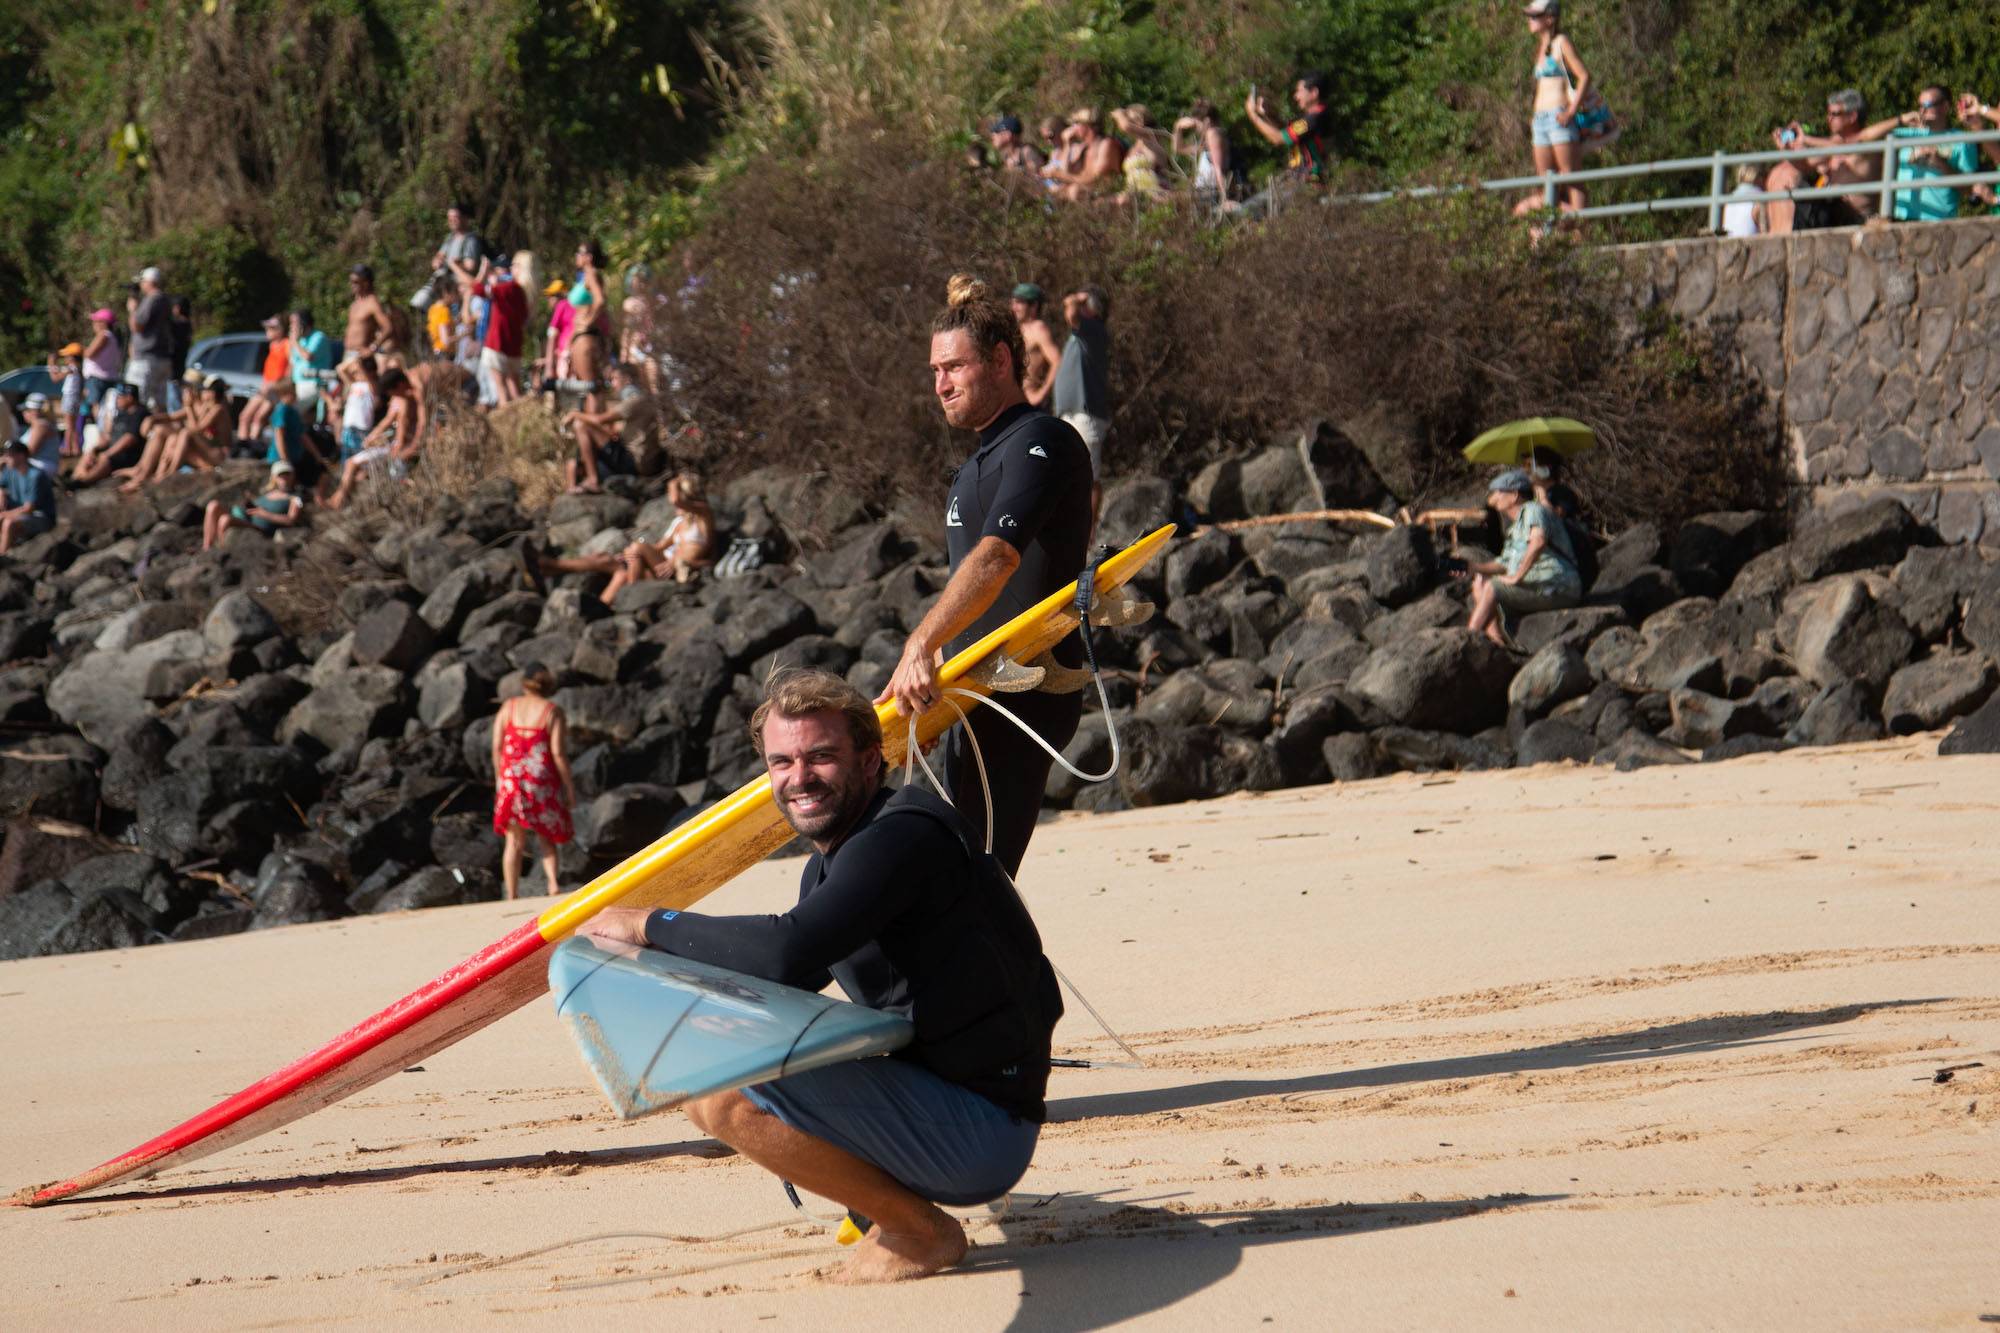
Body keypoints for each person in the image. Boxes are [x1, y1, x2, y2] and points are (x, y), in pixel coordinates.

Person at [579, 669, 1062, 1283]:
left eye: (820, 756)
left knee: (726, 1100)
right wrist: (664, 989)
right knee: (705, 1080)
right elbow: (793, 977)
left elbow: (787, 949)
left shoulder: (901, 837)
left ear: (868, 762)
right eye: (781, 761)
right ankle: (882, 1203)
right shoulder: (839, 860)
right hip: (949, 1103)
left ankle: (919, 1231)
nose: (798, 778)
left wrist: (651, 923)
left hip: (983, 1129)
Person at [879, 276, 1093, 877]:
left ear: (1000, 360)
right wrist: (927, 693)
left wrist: (919, 644)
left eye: (954, 367)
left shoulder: (1043, 441)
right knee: (965, 880)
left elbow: (999, 559)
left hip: (1030, 688)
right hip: (976, 695)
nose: (940, 384)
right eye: (934, 371)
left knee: (975, 881)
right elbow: (966, 590)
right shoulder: (970, 469)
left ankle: (1011, 970)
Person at [1453, 469, 1581, 646]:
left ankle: (1466, 642)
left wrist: (1517, 577)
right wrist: (1470, 567)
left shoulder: (1533, 509)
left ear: (1514, 495)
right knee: (1480, 581)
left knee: (1492, 587)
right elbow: (1503, 564)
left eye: (1498, 492)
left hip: (1558, 585)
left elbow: (1538, 541)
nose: (1494, 496)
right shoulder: (1514, 529)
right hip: (1538, 586)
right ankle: (1496, 642)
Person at [490, 664, 573, 900]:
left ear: (524, 683)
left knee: (514, 840)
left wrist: (500, 776)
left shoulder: (509, 706)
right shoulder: (552, 711)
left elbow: (497, 745)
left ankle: (512, 894)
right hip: (541, 779)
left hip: (512, 778)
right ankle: (553, 884)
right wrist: (568, 785)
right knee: (546, 837)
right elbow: (557, 752)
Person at [1858, 87, 1984, 223]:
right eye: (1920, 105)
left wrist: (1942, 165)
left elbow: (1971, 189)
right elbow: (1863, 138)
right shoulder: (1907, 135)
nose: (1922, 110)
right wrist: (1901, 119)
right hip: (1901, 219)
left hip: (1939, 222)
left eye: (1928, 105)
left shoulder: (1962, 140)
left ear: (1945, 107)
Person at [1764, 90, 1880, 233]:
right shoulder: (1831, 145)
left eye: (1834, 114)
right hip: (1836, 221)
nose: (1829, 118)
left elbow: (1846, 148)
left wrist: (1806, 139)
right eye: (1828, 113)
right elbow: (1804, 164)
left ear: (1852, 116)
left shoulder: (1868, 142)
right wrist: (1786, 151)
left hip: (1861, 221)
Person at [595, 471, 715, 603]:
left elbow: (675, 500)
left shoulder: (705, 516)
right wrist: (628, 555)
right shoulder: (680, 522)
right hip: (666, 568)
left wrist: (673, 482)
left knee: (636, 549)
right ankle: (601, 609)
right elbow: (659, 547)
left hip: (683, 570)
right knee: (622, 573)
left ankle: (630, 600)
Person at [1050, 284, 1111, 517]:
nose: (1077, 305)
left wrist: (1075, 297)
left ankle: (1089, 534)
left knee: (1089, 476)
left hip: (1087, 414)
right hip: (1071, 412)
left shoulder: (1094, 330)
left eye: (1085, 303)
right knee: (1071, 474)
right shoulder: (1081, 335)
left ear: (1095, 310)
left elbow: (1071, 313)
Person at [326, 368, 423, 509]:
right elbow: (390, 421)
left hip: (397, 448)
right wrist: (373, 436)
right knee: (355, 470)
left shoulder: (405, 401)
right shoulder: (402, 398)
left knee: (351, 464)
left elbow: (403, 426)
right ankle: (338, 500)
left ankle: (339, 501)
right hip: (394, 445)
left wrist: (398, 446)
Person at [1242, 69, 1335, 217]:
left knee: (1249, 210)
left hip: (1308, 184)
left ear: (1314, 93)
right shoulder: (1310, 117)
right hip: (1297, 183)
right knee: (1253, 209)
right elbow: (1286, 131)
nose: (1295, 96)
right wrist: (1269, 114)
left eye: (1299, 91)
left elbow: (1278, 138)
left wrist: (1253, 116)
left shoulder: (1315, 119)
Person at [563, 361, 652, 494]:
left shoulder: (636, 400)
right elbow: (612, 431)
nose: (612, 384)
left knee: (582, 426)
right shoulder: (636, 400)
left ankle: (593, 481)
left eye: (615, 379)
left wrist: (575, 414)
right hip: (628, 456)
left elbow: (600, 420)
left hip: (633, 461)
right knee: (573, 465)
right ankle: (576, 490)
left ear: (627, 380)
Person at [203, 460, 305, 551]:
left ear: (292, 475)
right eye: (281, 474)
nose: (284, 477)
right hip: (246, 519)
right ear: (274, 477)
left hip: (260, 529)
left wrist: (264, 514)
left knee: (225, 519)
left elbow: (291, 520)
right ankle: (206, 548)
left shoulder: (294, 497)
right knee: (213, 505)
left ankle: (221, 551)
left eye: (287, 474)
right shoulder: (267, 493)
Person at [70, 384, 151, 485]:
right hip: (113, 451)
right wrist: (95, 449)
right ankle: (75, 479)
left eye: (120, 397)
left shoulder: (139, 414)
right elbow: (109, 438)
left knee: (106, 459)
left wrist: (107, 453)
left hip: (128, 455)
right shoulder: (122, 414)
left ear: (129, 398)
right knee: (88, 454)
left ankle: (82, 483)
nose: (117, 399)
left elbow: (130, 439)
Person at [263, 379, 331, 498]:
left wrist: (317, 455)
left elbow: (303, 436)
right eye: (292, 393)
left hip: (295, 456)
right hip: (283, 457)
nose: (296, 395)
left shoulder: (293, 411)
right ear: (282, 394)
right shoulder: (282, 410)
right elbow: (279, 435)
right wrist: (285, 459)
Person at [1046, 108, 1126, 202]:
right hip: (1091, 195)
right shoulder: (1083, 148)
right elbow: (1068, 173)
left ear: (1088, 124)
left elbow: (1095, 180)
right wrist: (1067, 145)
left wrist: (1061, 175)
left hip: (1107, 195)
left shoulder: (1106, 144)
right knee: (1059, 191)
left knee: (1074, 191)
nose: (1073, 128)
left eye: (1076, 123)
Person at [236, 314, 290, 448]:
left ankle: (254, 446)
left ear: (281, 329)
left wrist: (279, 385)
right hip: (265, 388)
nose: (268, 331)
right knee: (244, 416)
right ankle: (242, 446)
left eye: (272, 328)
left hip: (276, 390)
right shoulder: (273, 345)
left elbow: (289, 368)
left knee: (260, 417)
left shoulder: (286, 345)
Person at [479, 259, 529, 405]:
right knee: (514, 390)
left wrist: (485, 273)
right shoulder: (520, 291)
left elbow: (476, 288)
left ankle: (509, 426)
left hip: (497, 343)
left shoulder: (506, 287)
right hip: (513, 346)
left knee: (502, 392)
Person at [1173, 98, 1238, 209]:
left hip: (1209, 193)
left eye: (1197, 123)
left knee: (1166, 199)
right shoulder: (1209, 140)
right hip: (1203, 192)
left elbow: (1218, 168)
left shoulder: (1213, 133)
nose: (1197, 128)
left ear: (1207, 121)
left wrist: (1224, 198)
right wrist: (1177, 128)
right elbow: (1179, 149)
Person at [125, 266, 172, 413]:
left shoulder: (153, 299)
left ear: (150, 282)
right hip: (162, 357)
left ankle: (140, 433)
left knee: (138, 400)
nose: (141, 285)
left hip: (146, 359)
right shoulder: (165, 300)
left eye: (143, 282)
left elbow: (137, 326)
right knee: (159, 403)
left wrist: (133, 309)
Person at [1009, 284, 1063, 409]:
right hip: (1013, 402)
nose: (1013, 307)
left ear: (1033, 306)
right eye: (1013, 303)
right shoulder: (1014, 329)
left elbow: (1057, 361)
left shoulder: (1038, 328)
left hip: (1031, 404)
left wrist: (1042, 393)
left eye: (1019, 303)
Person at [0, 439, 58, 555]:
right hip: (22, 514)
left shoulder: (36, 475)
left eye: (10, 455)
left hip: (41, 518)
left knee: (8, 523)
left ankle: (3, 556)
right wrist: (1, 494)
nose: (6, 458)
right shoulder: (10, 471)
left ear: (21, 456)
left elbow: (29, 508)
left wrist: (3, 515)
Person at [1108, 105, 1167, 207]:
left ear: (1141, 121)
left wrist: (1119, 114)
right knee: (1102, 202)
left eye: (1131, 120)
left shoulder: (1154, 135)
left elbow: (1125, 126)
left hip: (1154, 190)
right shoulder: (1135, 145)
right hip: (1132, 192)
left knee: (1123, 201)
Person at [286, 309, 338, 416]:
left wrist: (295, 341)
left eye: (294, 323)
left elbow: (308, 356)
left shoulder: (319, 337)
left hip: (313, 384)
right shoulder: (300, 340)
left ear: (303, 323)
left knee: (290, 412)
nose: (291, 327)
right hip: (297, 383)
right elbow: (292, 361)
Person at [80, 308, 123, 429]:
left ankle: (102, 432)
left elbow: (90, 353)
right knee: (105, 407)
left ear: (103, 323)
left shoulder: (104, 335)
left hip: (98, 378)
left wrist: (78, 350)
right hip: (107, 377)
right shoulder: (113, 337)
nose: (94, 324)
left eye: (96, 321)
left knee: (98, 407)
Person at [343, 265, 394, 360]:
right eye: (350, 281)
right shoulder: (355, 304)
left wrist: (372, 348)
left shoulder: (372, 303)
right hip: (348, 354)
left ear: (366, 283)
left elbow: (388, 328)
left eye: (355, 282)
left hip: (360, 356)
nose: (351, 285)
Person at [335, 354, 379, 461]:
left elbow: (367, 375)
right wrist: (354, 359)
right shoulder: (353, 385)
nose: (354, 375)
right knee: (346, 460)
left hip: (361, 431)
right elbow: (340, 369)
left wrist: (360, 365)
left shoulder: (372, 387)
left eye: (357, 372)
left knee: (358, 460)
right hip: (347, 430)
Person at [50, 343, 84, 456]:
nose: (65, 359)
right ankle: (75, 448)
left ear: (72, 357)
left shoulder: (71, 368)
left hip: (69, 397)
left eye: (66, 356)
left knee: (69, 424)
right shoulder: (78, 368)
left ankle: (67, 448)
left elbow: (55, 378)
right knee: (73, 425)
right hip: (75, 397)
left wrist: (51, 364)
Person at [18, 395, 60, 477]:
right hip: (38, 466)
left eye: (26, 410)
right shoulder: (38, 425)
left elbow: (30, 451)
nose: (23, 413)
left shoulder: (41, 425)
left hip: (40, 467)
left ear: (34, 411)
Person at [1721, 162, 1766, 237]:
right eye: (1764, 174)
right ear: (1757, 175)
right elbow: (1765, 232)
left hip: (1728, 245)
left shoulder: (1730, 198)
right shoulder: (1759, 197)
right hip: (1750, 246)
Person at [166, 295, 193, 413]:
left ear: (177, 308)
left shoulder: (179, 325)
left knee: (174, 405)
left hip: (174, 371)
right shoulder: (188, 325)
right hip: (179, 368)